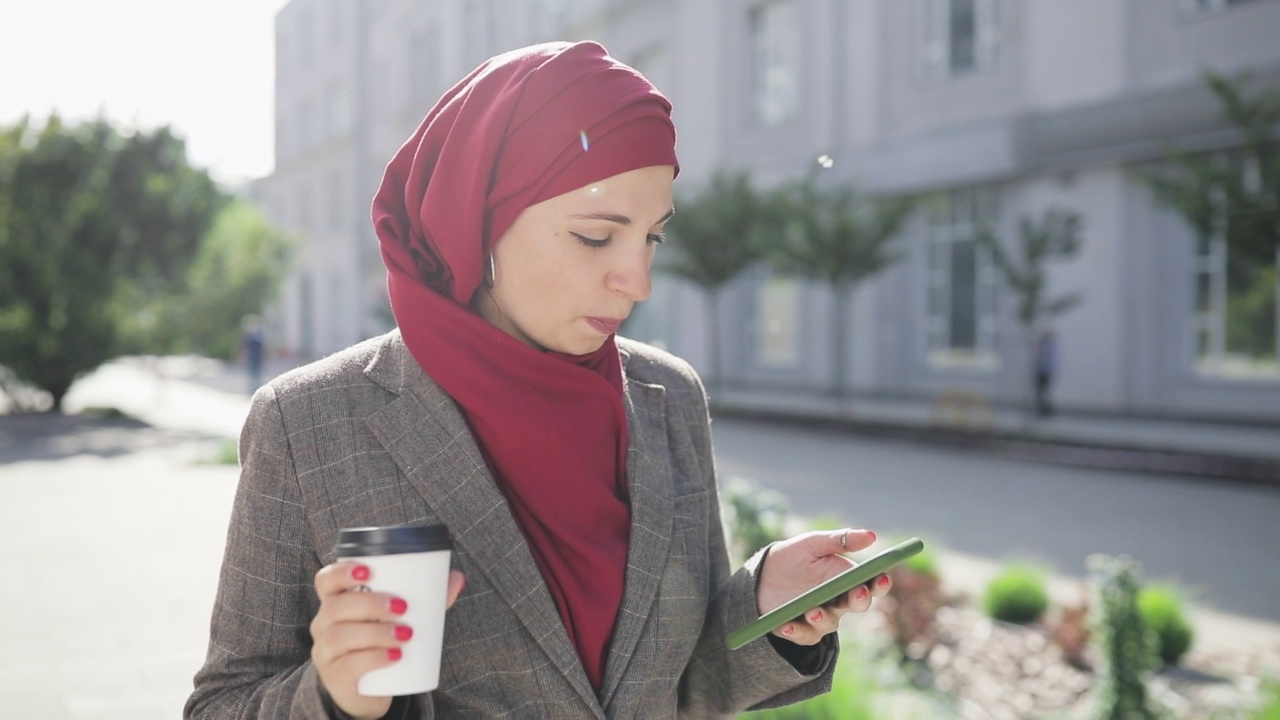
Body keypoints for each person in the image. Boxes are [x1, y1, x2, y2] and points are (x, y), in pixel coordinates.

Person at [186, 41, 891, 720]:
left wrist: (765, 607)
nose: (637, 280)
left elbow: (680, 690)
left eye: (652, 236)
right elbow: (224, 703)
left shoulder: (669, 398)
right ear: (480, 219)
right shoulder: (308, 423)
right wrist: (335, 697)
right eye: (595, 236)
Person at [1034, 328, 1057, 417]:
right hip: (1044, 372)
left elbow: (1044, 359)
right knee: (1043, 392)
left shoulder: (1047, 346)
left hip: (1044, 372)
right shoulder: (1048, 345)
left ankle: (1045, 410)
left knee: (1043, 392)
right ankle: (1044, 409)